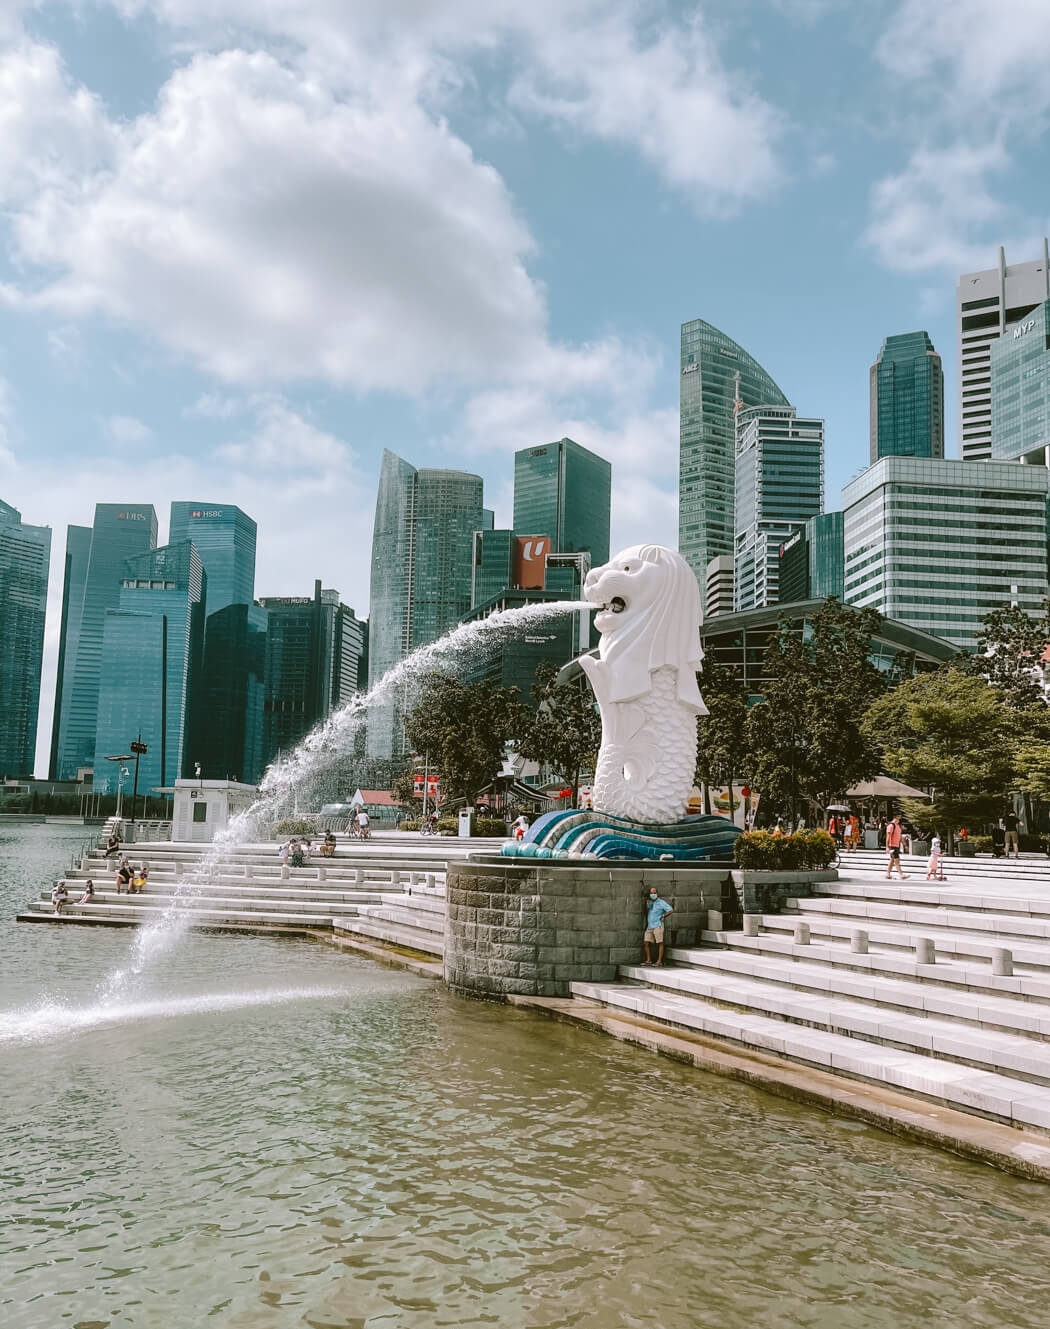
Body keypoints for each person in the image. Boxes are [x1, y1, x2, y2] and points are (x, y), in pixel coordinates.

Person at [643, 887, 673, 966]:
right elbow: (648, 911)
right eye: (651, 893)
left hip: (658, 925)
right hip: (650, 926)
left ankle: (659, 961)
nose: (653, 894)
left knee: (660, 942)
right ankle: (649, 960)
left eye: (654, 893)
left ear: (657, 893)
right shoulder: (650, 902)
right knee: (646, 942)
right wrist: (647, 905)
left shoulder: (661, 902)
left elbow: (670, 910)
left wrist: (663, 916)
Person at [885, 813, 908, 879]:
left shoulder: (898, 826)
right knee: (897, 860)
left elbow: (900, 837)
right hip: (892, 845)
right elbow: (888, 837)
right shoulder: (891, 826)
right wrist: (887, 847)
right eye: (899, 816)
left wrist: (905, 845)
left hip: (897, 845)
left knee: (892, 860)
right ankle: (901, 875)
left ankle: (888, 874)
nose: (900, 818)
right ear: (895, 817)